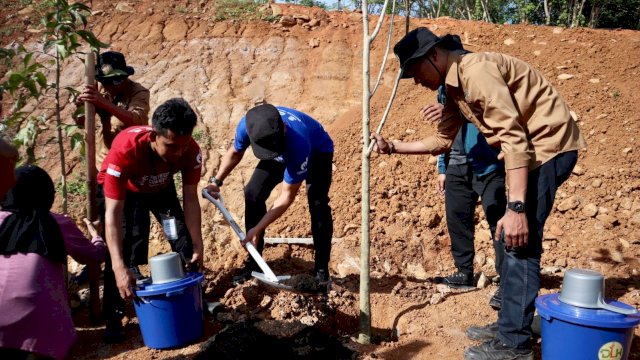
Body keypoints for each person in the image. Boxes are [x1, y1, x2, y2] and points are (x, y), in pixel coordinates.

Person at [371, 27, 585, 359]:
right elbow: (442, 140)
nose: (415, 81)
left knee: (519, 243)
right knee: (508, 242)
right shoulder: (453, 88)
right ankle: (509, 327)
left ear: (434, 56)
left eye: (414, 71)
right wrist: (393, 146)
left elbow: (513, 137)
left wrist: (515, 208)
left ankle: (514, 344)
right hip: (531, 153)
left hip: (548, 150)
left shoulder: (476, 71)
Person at [98, 98, 204, 343]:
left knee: (183, 242)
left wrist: (198, 245)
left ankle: (193, 300)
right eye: (171, 145)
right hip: (127, 192)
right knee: (122, 250)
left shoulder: (190, 151)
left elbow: (190, 199)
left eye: (183, 145)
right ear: (153, 136)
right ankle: (114, 317)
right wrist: (117, 266)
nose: (179, 152)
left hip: (161, 189)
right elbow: (112, 214)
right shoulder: (125, 150)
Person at [205, 103, 334, 287]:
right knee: (252, 193)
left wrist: (257, 228)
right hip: (279, 148)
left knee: (317, 202)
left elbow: (286, 197)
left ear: (283, 128)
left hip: (317, 152)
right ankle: (254, 262)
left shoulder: (298, 143)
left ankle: (321, 270)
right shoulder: (249, 125)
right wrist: (215, 182)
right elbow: (235, 152)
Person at [0, 165, 106, 359]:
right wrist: (95, 236)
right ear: (47, 193)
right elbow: (94, 256)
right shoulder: (56, 222)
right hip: (42, 325)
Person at [75, 50, 151, 280]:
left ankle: (131, 264)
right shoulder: (101, 93)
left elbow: (135, 119)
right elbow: (80, 122)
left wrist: (103, 105)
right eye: (107, 81)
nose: (112, 86)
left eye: (116, 80)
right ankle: (97, 262)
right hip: (104, 167)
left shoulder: (138, 92)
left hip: (131, 166)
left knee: (132, 219)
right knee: (101, 216)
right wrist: (82, 105)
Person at [432, 104, 506, 310]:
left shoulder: (475, 78)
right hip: (456, 163)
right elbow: (443, 130)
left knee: (497, 218)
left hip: (488, 161)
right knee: (457, 217)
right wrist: (442, 168)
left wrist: (455, 110)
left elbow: (489, 111)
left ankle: (508, 279)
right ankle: (464, 272)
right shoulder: (444, 88)